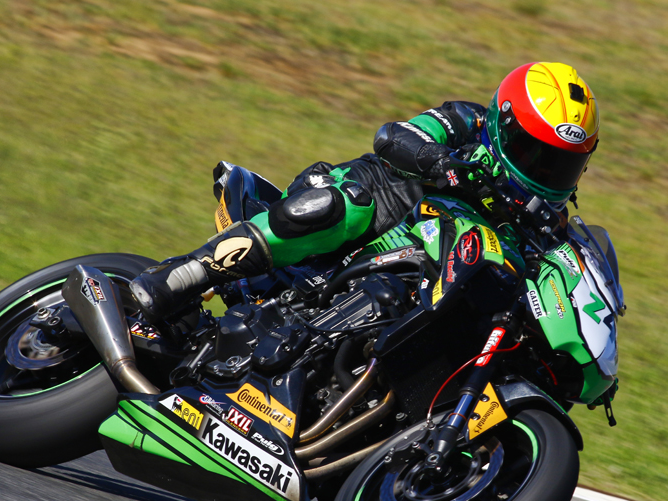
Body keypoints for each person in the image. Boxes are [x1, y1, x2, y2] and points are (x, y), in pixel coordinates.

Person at [129, 62, 600, 322]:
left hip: (430, 273)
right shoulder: (468, 121)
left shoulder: (544, 218)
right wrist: (442, 162)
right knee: (342, 205)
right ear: (503, 124)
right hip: (383, 206)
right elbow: (393, 137)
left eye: (562, 164)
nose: (544, 172)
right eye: (535, 153)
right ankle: (181, 275)